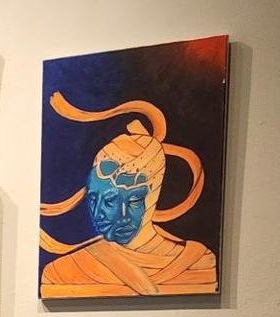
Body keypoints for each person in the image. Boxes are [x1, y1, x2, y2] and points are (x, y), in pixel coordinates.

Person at [39, 93, 216, 298]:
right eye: (93, 199)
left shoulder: (199, 262)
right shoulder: (63, 272)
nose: (97, 213)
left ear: (144, 198)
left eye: (110, 201)